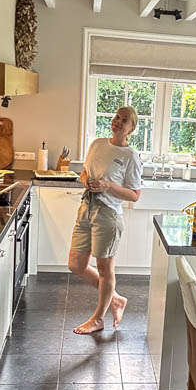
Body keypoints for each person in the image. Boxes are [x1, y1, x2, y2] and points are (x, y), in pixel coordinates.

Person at [69, 106, 142, 334]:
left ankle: (98, 319)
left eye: (124, 120)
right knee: (75, 264)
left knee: (105, 268)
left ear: (132, 128)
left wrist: (108, 186)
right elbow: (84, 172)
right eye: (117, 117)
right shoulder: (97, 144)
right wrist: (86, 181)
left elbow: (135, 195)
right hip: (86, 207)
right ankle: (116, 299)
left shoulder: (130, 156)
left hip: (108, 214)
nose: (118, 121)